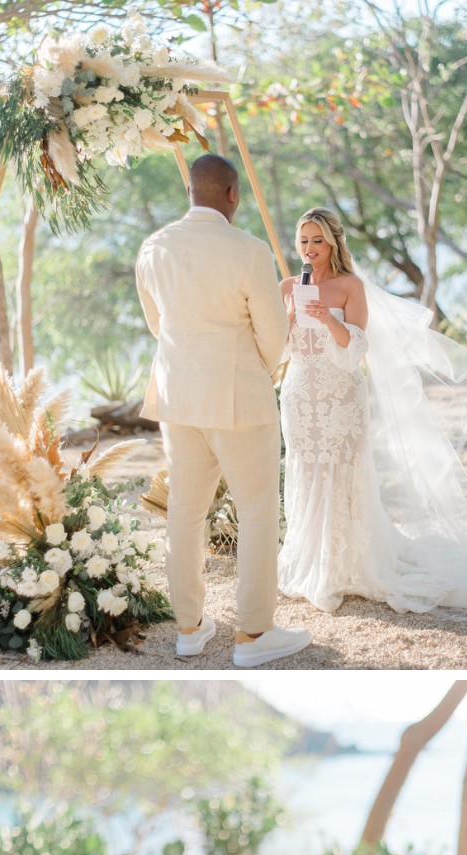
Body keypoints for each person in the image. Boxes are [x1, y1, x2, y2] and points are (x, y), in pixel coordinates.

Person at [276, 207, 467, 615]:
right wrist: (290, 319)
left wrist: (325, 320)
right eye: (303, 241)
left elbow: (356, 353)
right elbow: (282, 349)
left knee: (342, 470)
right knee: (308, 469)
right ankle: (311, 559)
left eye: (317, 240)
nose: (310, 248)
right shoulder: (287, 286)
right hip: (300, 396)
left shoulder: (350, 286)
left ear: (332, 242)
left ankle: (348, 563)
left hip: (341, 396)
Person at [136, 153, 312, 668]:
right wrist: (253, 366)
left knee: (185, 513)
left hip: (177, 396)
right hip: (238, 397)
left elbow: (156, 323)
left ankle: (189, 629)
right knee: (258, 511)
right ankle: (254, 635)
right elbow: (275, 336)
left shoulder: (154, 247)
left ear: (190, 192)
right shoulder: (249, 250)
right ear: (233, 195)